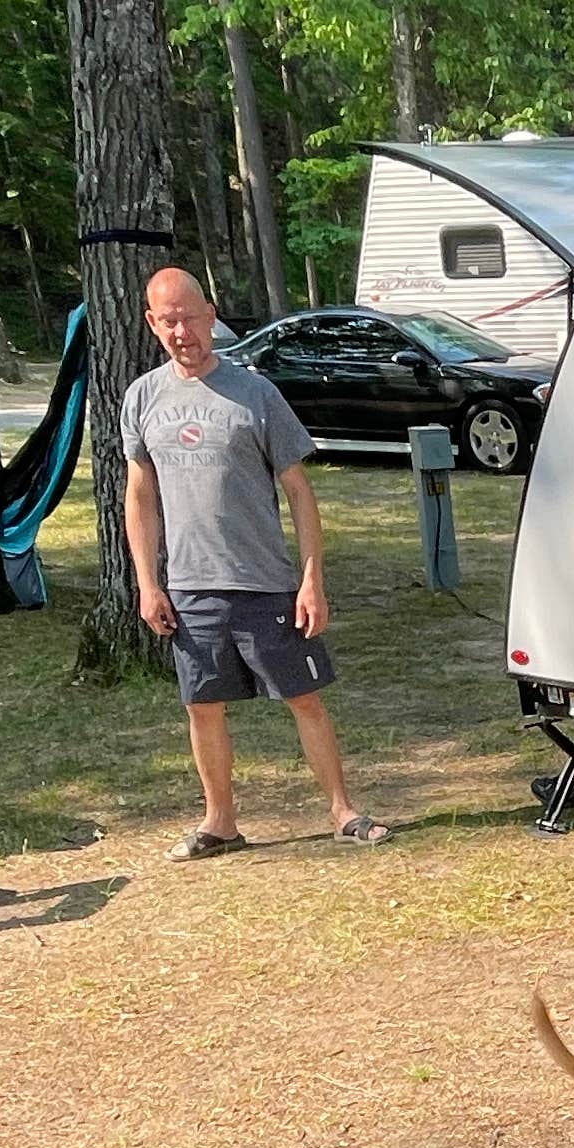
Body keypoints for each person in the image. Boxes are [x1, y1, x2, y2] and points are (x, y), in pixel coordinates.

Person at [121, 265, 388, 855]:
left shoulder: (255, 393)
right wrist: (147, 583)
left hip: (264, 582)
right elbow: (140, 497)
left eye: (190, 318)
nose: (181, 332)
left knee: (304, 699)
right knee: (202, 705)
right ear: (151, 324)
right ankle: (220, 822)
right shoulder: (143, 396)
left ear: (211, 316)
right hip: (189, 586)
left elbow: (299, 490)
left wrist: (311, 580)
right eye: (168, 321)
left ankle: (343, 811)